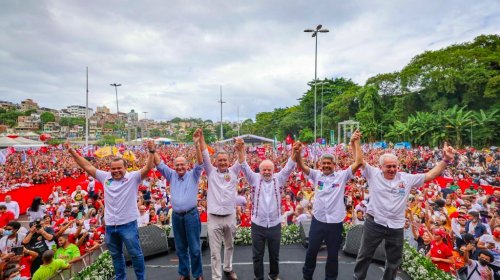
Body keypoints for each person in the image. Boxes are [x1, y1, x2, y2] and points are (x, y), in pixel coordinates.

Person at [353, 142, 457, 280]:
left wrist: (446, 160)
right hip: (374, 222)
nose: (392, 169)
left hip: (396, 226)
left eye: (394, 166)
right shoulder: (373, 174)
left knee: (394, 261)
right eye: (388, 166)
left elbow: (430, 175)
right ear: (381, 167)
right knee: (364, 255)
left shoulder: (406, 178)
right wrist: (354, 142)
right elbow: (359, 161)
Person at [64, 139, 156, 280]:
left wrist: (151, 152)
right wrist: (71, 151)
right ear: (109, 169)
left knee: (135, 254)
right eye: (113, 168)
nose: (116, 171)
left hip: (128, 225)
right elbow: (87, 166)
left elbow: (148, 168)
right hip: (110, 226)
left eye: (119, 168)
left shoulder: (133, 178)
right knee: (116, 256)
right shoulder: (105, 177)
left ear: (126, 168)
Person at [297, 130, 363, 280]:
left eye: (329, 163)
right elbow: (302, 166)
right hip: (318, 221)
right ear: (320, 165)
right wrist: (299, 153)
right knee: (311, 252)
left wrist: (355, 142)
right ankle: (306, 277)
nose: (326, 166)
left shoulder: (342, 176)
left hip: (334, 223)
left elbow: (358, 162)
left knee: (333, 255)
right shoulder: (316, 175)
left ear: (334, 165)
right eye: (324, 163)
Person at [236, 137, 298, 280]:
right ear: (260, 170)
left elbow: (289, 166)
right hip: (258, 223)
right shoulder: (254, 179)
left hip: (275, 223)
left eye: (269, 169)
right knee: (257, 255)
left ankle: (273, 275)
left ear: (273, 170)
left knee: (274, 254)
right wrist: (240, 149)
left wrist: (294, 151)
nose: (267, 172)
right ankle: (259, 277)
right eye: (264, 169)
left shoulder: (279, 178)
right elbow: (244, 165)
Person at [154, 133, 204, 280]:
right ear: (174, 166)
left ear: (187, 166)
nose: (180, 167)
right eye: (177, 165)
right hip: (176, 216)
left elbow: (200, 162)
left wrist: (196, 145)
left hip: (191, 215)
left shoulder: (193, 175)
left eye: (182, 164)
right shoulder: (171, 175)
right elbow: (159, 164)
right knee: (181, 247)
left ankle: (198, 274)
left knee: (194, 248)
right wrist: (152, 151)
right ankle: (184, 273)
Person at [197, 128, 239, 280]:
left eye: (224, 160)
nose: (222, 162)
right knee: (215, 251)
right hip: (213, 217)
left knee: (230, 245)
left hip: (229, 215)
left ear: (228, 161)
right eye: (219, 160)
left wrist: (241, 148)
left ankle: (228, 268)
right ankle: (216, 277)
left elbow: (241, 160)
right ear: (215, 162)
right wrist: (201, 137)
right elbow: (204, 153)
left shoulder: (234, 172)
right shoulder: (210, 172)